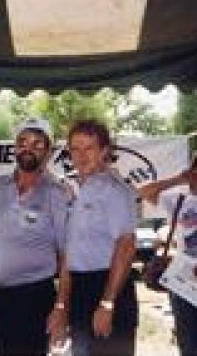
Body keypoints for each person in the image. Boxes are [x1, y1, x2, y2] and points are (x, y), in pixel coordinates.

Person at [0, 118, 71, 356]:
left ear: (49, 151)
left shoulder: (57, 193)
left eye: (37, 143)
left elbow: (66, 256)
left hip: (35, 297)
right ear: (14, 147)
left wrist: (61, 307)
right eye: (22, 141)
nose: (27, 148)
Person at [65, 119, 138, 356]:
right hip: (80, 289)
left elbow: (126, 246)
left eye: (89, 148)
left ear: (104, 151)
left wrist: (107, 304)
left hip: (108, 288)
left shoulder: (114, 190)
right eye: (75, 149)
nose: (81, 156)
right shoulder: (77, 188)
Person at [139, 155, 197, 356]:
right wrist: (179, 179)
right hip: (184, 282)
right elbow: (144, 191)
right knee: (188, 341)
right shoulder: (179, 199)